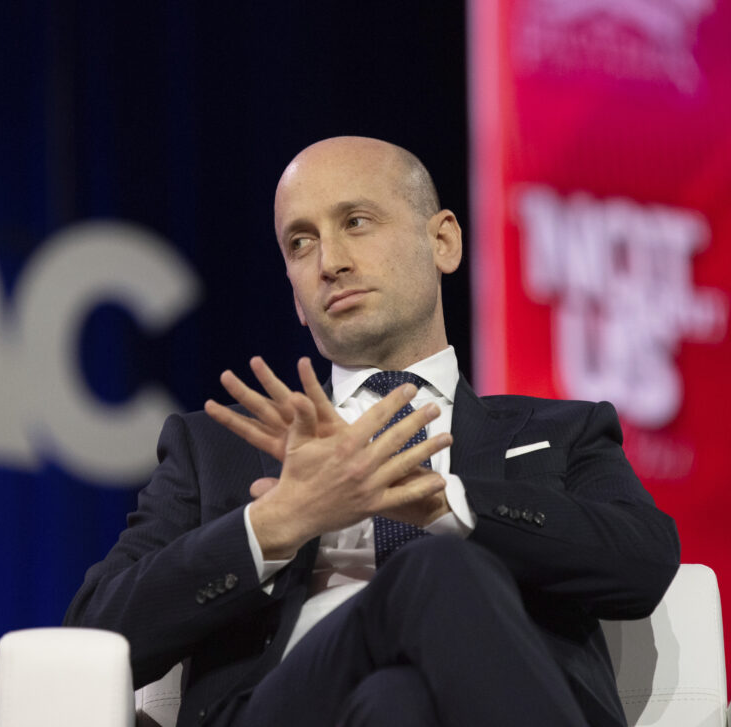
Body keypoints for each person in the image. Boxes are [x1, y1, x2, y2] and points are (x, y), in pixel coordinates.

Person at [64, 136, 680, 726]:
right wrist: (276, 524)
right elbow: (90, 641)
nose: (330, 262)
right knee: (434, 572)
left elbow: (645, 561)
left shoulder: (561, 430)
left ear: (442, 241)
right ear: (297, 300)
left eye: (355, 221)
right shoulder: (215, 449)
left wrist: (448, 504)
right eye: (301, 243)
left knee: (397, 699)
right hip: (283, 708)